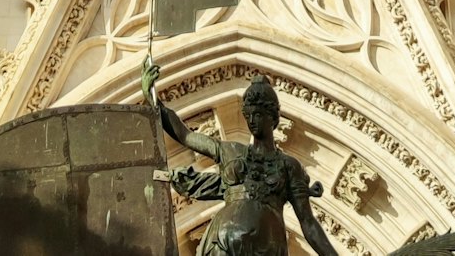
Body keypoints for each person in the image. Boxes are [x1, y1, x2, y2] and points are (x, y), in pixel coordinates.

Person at [141, 57, 340, 256]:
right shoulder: (230, 151)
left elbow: (308, 222)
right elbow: (186, 136)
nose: (252, 121)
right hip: (222, 242)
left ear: (273, 117)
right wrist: (156, 103)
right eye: (249, 115)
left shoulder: (288, 166)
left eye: (258, 115)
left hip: (267, 246)